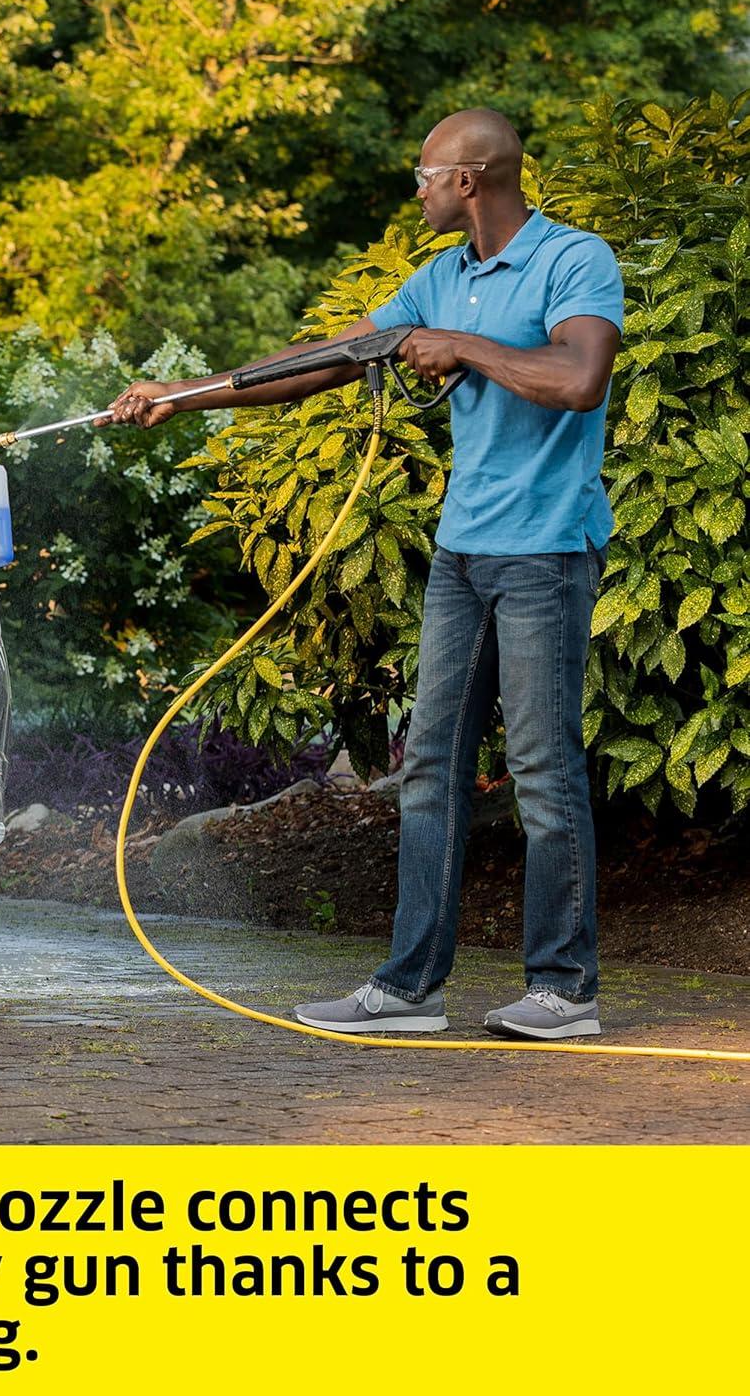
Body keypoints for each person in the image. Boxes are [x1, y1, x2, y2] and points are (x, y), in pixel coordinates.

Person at [103, 108, 623, 1039]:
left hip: (546, 550)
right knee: (428, 770)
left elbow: (578, 378)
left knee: (543, 773)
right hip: (464, 554)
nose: (417, 189)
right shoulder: (440, 277)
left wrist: (464, 349)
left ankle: (565, 991)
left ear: (468, 181)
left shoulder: (572, 261)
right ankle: (412, 988)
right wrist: (181, 399)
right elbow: (321, 363)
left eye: (425, 174)